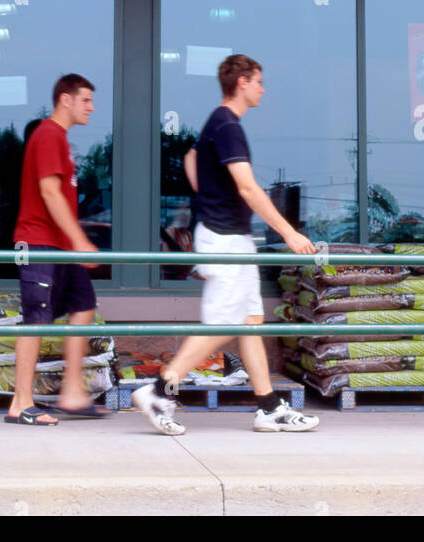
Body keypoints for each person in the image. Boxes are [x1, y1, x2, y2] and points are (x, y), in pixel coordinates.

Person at [133, 54, 320, 434]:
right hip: (226, 241)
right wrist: (289, 233)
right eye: (259, 81)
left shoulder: (216, 126)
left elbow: (192, 159)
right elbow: (249, 187)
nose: (263, 89)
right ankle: (158, 389)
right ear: (242, 83)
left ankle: (268, 406)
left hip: (231, 238)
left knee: (250, 322)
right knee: (221, 326)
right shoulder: (227, 125)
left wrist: (208, 196)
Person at [5, 74, 106, 426]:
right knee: (35, 321)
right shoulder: (47, 135)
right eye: (86, 100)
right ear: (66, 99)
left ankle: (72, 392)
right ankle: (21, 404)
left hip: (60, 245)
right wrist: (79, 239)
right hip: (40, 243)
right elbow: (49, 193)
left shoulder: (60, 140)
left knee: (84, 306)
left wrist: (72, 242)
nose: (92, 107)